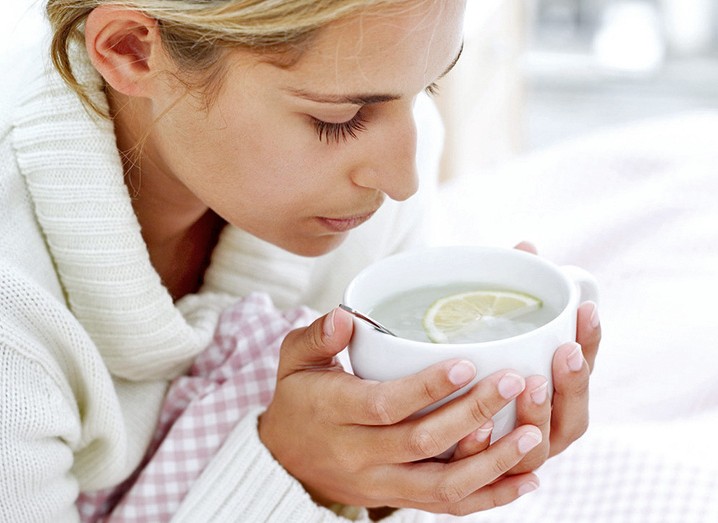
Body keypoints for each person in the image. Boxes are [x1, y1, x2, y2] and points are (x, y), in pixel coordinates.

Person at [0, 0, 601, 521]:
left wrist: (415, 472)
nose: (404, 180)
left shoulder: (373, 180)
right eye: (338, 120)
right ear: (132, 50)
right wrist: (299, 477)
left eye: (427, 89)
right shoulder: (15, 322)